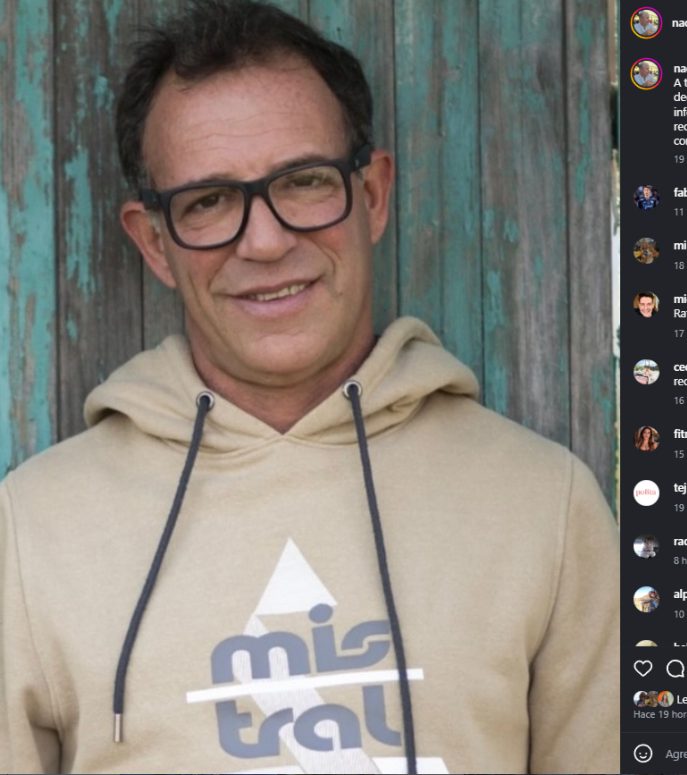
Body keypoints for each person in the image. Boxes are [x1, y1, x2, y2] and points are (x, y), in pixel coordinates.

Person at [0, 2, 618, 774]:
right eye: (208, 201)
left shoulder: (544, 506)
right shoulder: (31, 531)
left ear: (373, 195)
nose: (265, 241)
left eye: (303, 182)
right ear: (155, 243)